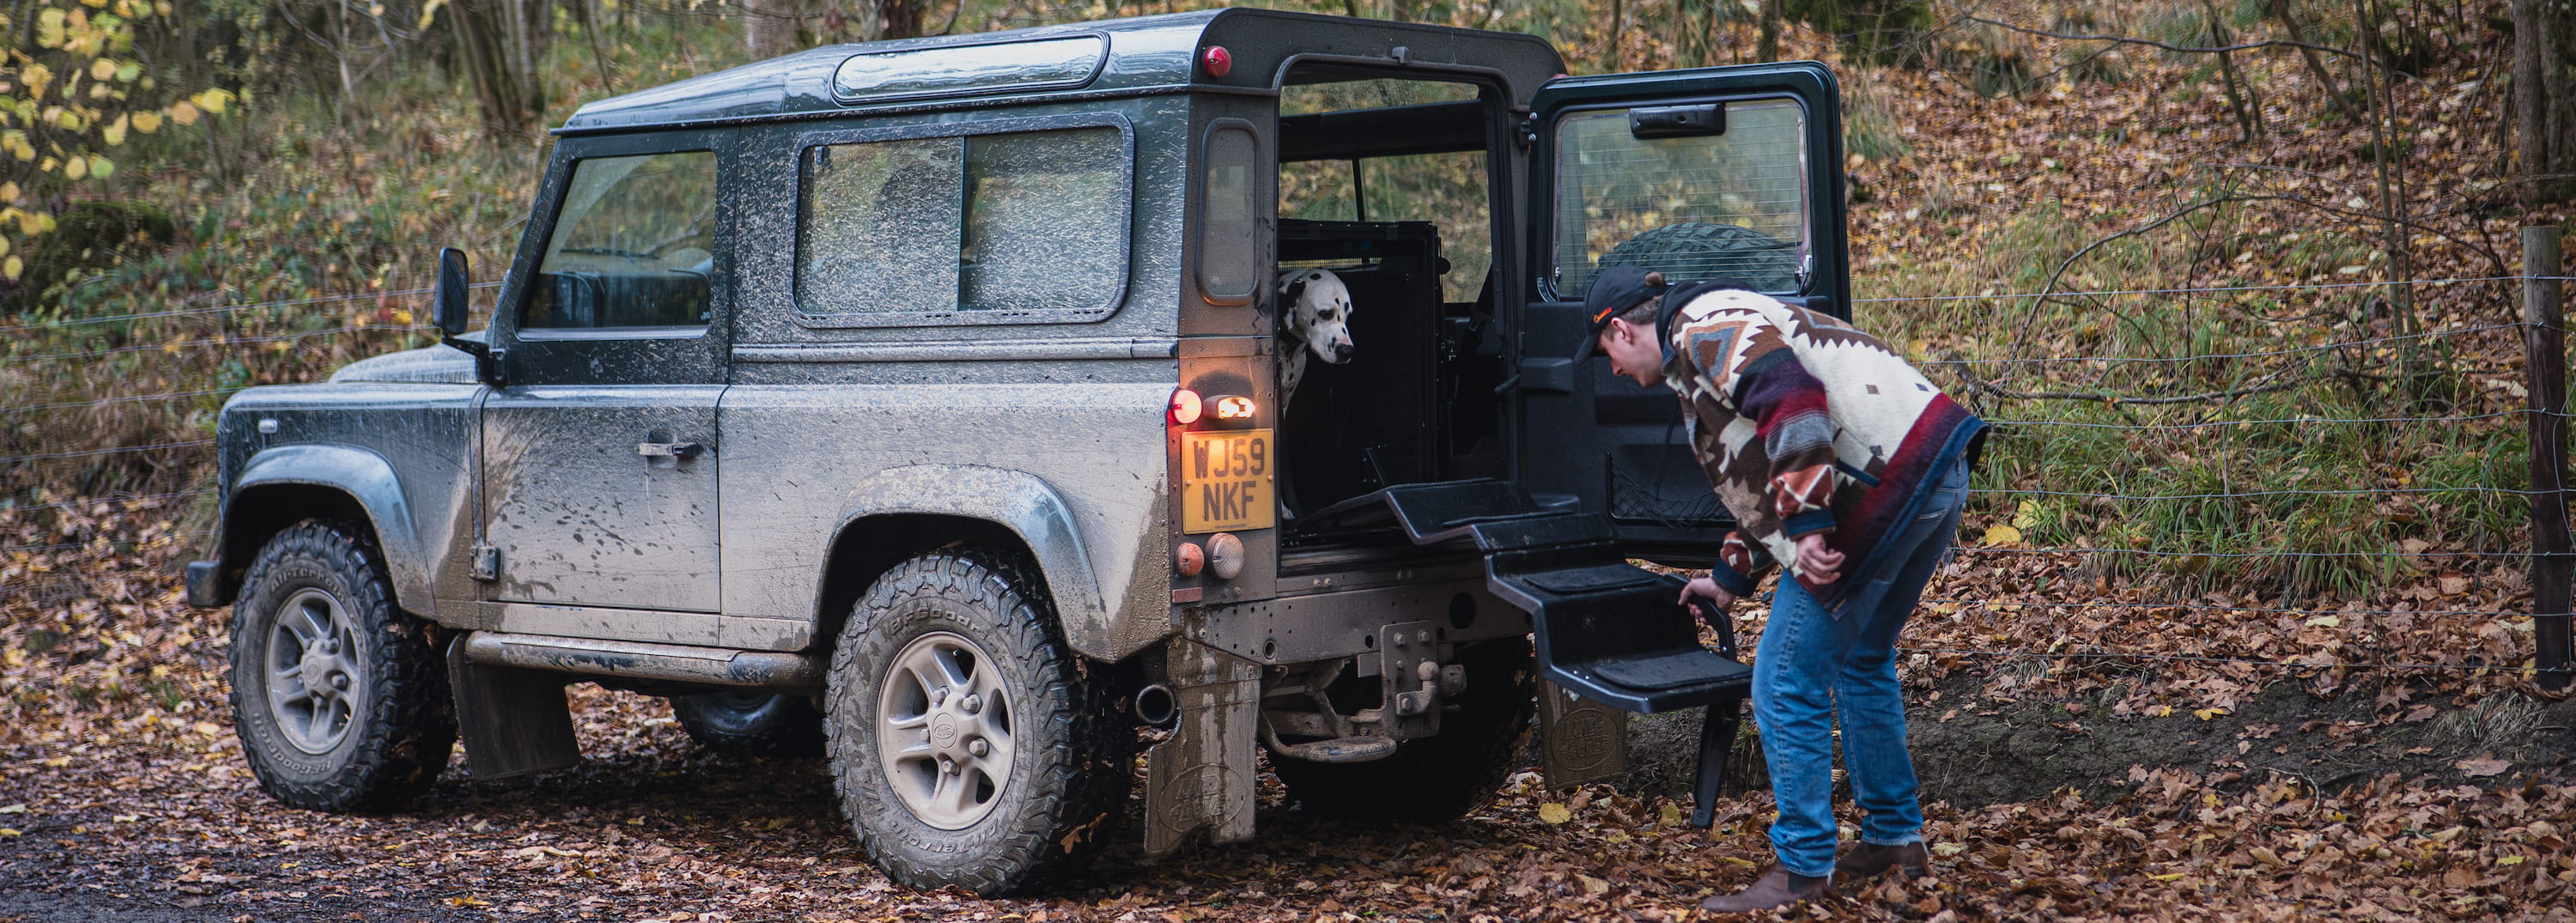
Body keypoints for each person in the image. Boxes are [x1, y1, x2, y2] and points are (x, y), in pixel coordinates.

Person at [1575, 266, 1984, 914]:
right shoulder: (1714, 327)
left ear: (1622, 328)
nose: (1616, 371)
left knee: (1782, 679)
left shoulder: (1701, 328)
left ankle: (1802, 867)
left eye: (1609, 356)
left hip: (1881, 479)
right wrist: (1731, 576)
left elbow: (1792, 399)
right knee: (1862, 657)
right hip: (1935, 466)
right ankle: (1894, 836)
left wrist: (1811, 522)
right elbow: (1761, 467)